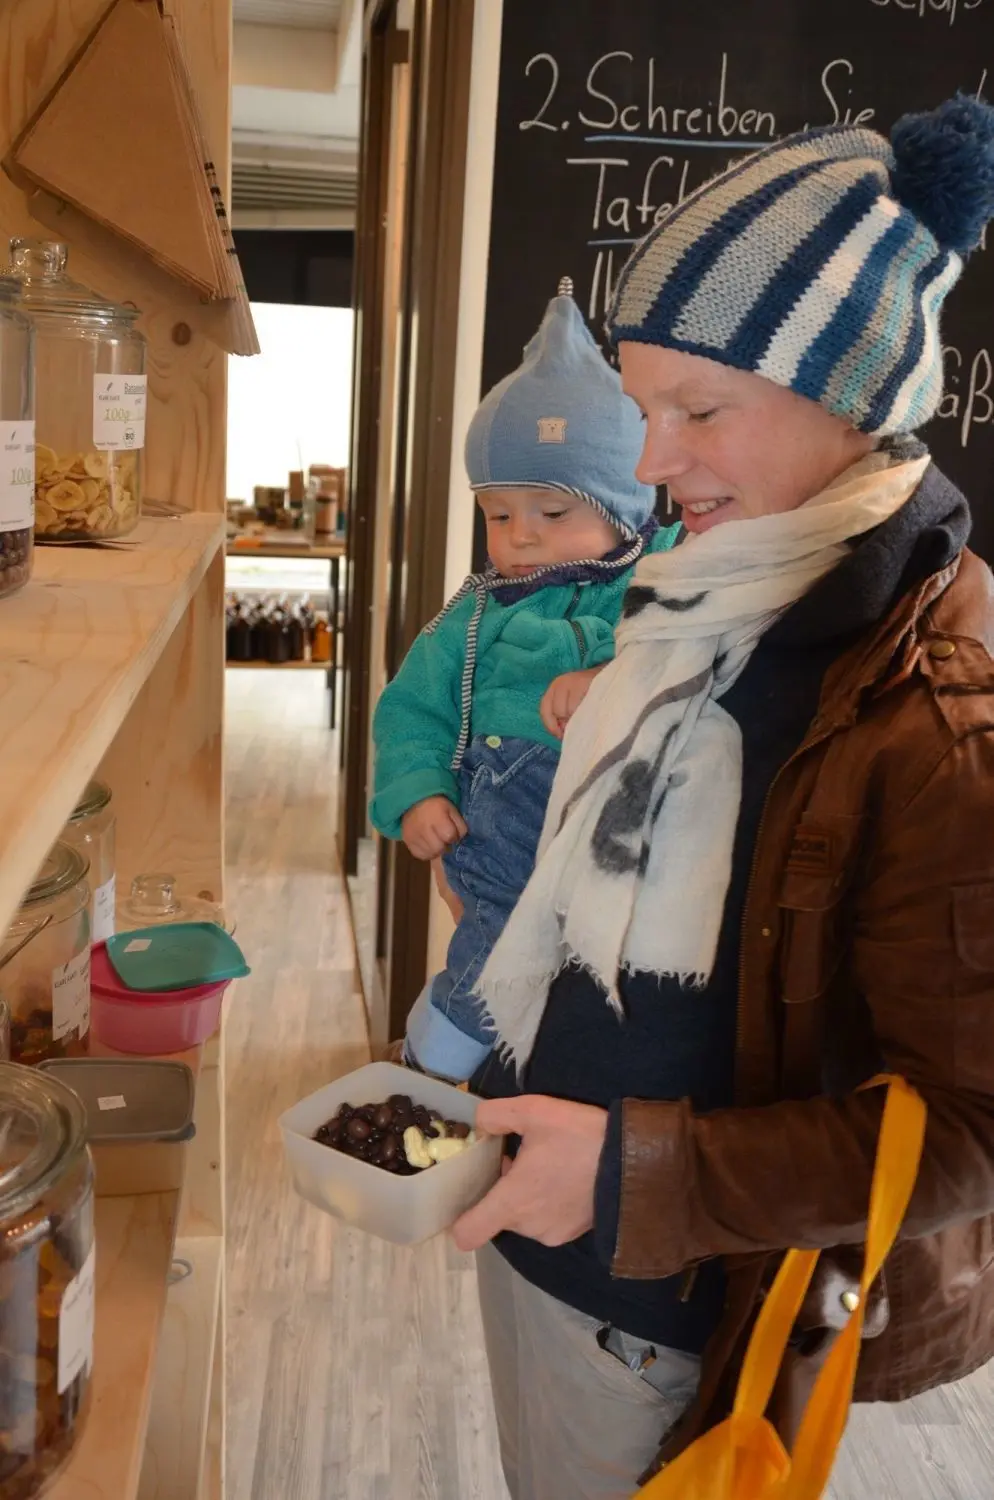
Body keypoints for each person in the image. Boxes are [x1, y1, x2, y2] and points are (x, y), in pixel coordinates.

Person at [452, 95, 994, 1500]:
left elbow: (968, 1133)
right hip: (547, 1230)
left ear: (858, 401)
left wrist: (624, 1178)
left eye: (699, 410)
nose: (649, 464)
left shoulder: (941, 722)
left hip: (674, 1323)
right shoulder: (710, 596)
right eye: (641, 409)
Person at [369, 280, 678, 1082]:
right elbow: (411, 711)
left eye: (552, 513)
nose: (522, 538)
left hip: (618, 820)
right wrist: (417, 793)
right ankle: (434, 1064)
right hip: (507, 814)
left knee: (594, 967)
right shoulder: (473, 617)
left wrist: (607, 676)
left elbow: (696, 648)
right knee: (501, 942)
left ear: (624, 504)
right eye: (499, 515)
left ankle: (518, 1065)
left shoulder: (663, 577)